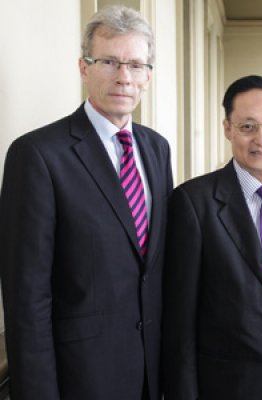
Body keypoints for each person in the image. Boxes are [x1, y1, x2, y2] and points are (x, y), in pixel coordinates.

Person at [0, 5, 173, 400]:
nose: (123, 76)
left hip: (151, 373)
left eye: (135, 64)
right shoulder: (37, 155)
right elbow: (27, 297)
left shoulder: (157, 149)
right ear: (83, 67)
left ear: (148, 75)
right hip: (80, 379)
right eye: (109, 61)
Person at [162, 75, 262, 400]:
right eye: (247, 127)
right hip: (228, 386)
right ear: (227, 128)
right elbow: (180, 320)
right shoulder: (193, 203)